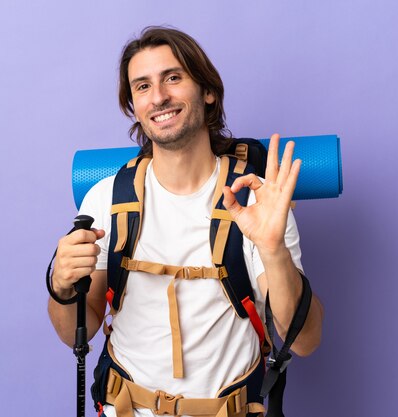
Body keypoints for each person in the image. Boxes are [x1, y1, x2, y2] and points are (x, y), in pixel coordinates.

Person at [48, 26, 324, 417]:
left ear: (207, 91)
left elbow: (305, 340)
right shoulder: (107, 198)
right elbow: (78, 328)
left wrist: (273, 249)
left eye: (173, 78)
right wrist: (61, 287)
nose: (158, 96)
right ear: (134, 106)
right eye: (142, 87)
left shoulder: (254, 198)